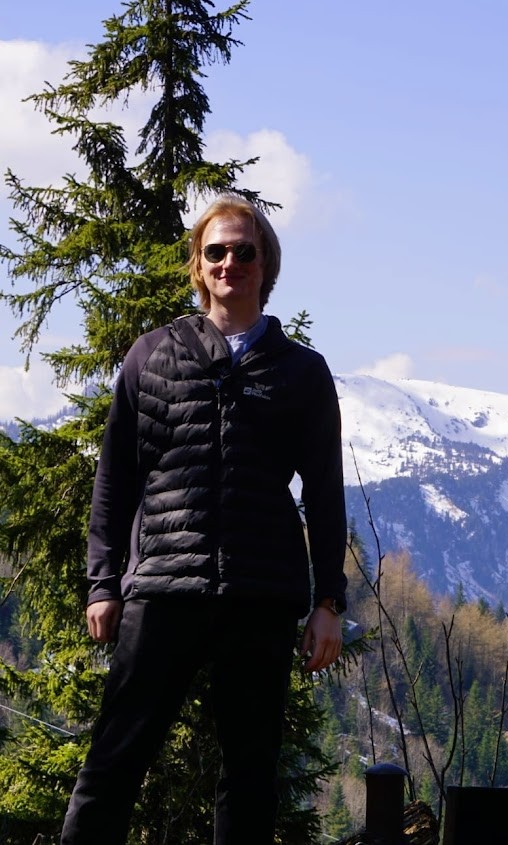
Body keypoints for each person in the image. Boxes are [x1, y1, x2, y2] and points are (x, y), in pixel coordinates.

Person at [61, 194, 348, 844]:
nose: (230, 262)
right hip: (162, 589)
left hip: (260, 594)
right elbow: (115, 479)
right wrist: (103, 583)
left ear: (264, 264)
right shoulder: (151, 357)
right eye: (216, 251)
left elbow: (325, 496)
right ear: (198, 263)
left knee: (249, 779)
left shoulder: (303, 372)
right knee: (113, 762)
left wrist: (328, 599)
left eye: (244, 251)